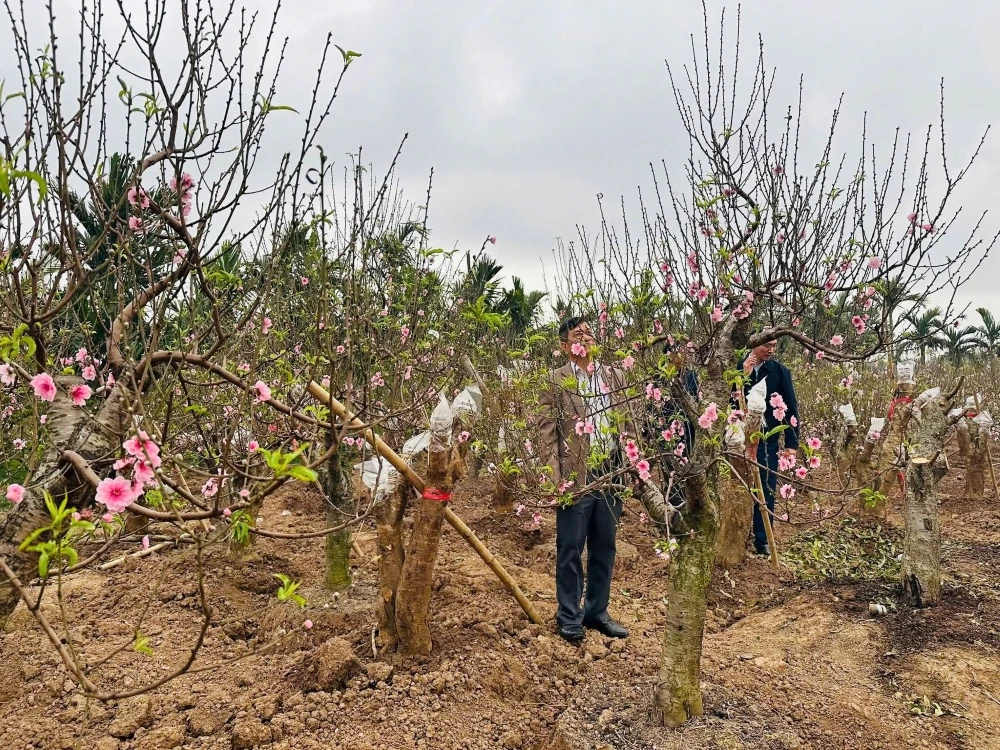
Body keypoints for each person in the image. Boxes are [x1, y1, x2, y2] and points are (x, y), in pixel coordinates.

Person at [537, 316, 637, 644]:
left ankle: (597, 612)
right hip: (575, 477)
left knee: (604, 546)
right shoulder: (556, 380)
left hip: (610, 471)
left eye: (590, 333)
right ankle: (568, 615)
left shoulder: (615, 376)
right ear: (564, 346)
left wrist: (633, 465)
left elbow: (629, 423)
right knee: (570, 546)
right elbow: (546, 435)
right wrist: (555, 480)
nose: (586, 338)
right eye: (578, 335)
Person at [737, 338, 799, 556]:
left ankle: (762, 540)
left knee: (766, 488)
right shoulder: (738, 366)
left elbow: (790, 407)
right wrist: (743, 376)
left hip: (767, 440)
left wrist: (792, 443)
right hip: (737, 439)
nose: (771, 350)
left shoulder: (779, 371)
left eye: (774, 346)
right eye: (767, 345)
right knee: (737, 488)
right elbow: (730, 400)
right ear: (754, 343)